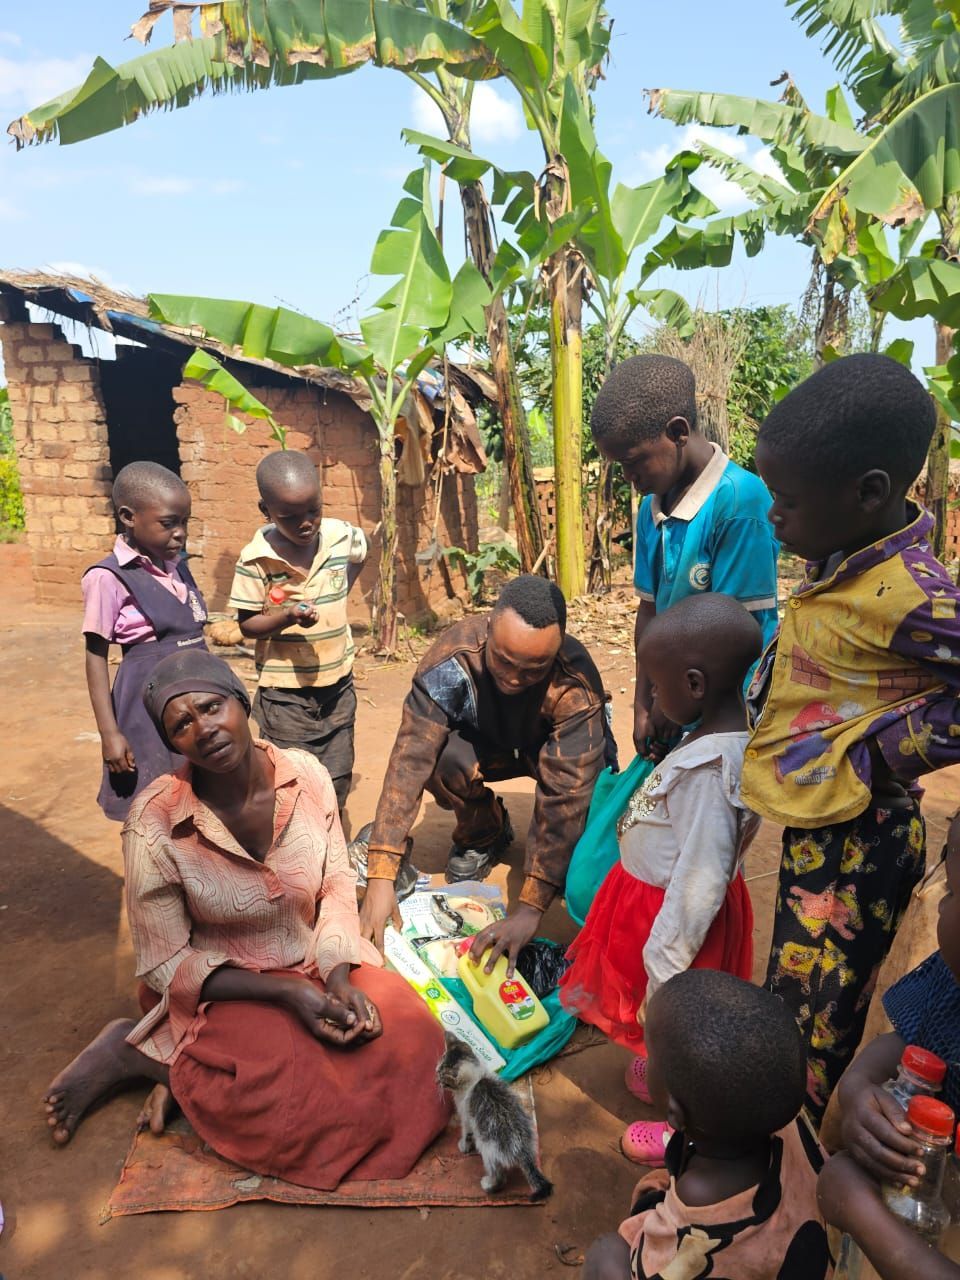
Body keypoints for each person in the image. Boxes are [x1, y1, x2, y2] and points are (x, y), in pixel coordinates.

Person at [42, 650, 450, 1190]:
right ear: (172, 745)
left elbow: (333, 887)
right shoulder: (155, 823)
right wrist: (287, 997)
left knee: (420, 1041)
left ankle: (183, 1073)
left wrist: (336, 978)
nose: (203, 729)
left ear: (242, 701)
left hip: (314, 961)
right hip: (225, 988)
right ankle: (137, 1055)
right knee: (296, 1098)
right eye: (181, 725)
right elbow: (164, 961)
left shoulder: (306, 776)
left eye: (212, 707)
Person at [741, 352, 960, 1118]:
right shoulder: (844, 557)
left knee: (821, 1024)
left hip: (863, 842)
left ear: (868, 492)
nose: (774, 515)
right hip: (821, 826)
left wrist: (886, 747)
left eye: (787, 500)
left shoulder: (914, 597)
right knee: (792, 989)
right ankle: (769, 1136)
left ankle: (787, 1164)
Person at [559, 593, 761, 1165]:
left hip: (675, 922)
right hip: (652, 904)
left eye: (654, 684)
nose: (650, 696)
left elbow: (702, 875)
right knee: (661, 1021)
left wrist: (667, 970)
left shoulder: (710, 771)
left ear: (694, 685)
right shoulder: (706, 740)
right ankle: (666, 1057)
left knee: (683, 1027)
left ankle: (687, 1129)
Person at [358, 574, 617, 970]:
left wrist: (531, 907)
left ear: (557, 650)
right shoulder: (453, 660)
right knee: (441, 758)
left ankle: (563, 868)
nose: (514, 678)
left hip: (550, 751)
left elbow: (567, 795)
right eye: (504, 661)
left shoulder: (574, 683)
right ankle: (485, 831)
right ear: (489, 629)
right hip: (488, 744)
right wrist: (380, 875)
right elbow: (411, 758)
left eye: (533, 669)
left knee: (592, 816)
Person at [583, 970, 833, 1280]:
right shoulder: (779, 1113)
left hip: (730, 1252)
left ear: (676, 1113)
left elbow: (660, 1271)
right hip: (798, 1253)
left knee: (605, 1254)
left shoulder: (699, 1198)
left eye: (652, 1058)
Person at [591, 354, 778, 761]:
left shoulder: (739, 503)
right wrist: (643, 702)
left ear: (677, 432)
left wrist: (669, 709)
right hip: (676, 698)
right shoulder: (650, 508)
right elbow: (649, 609)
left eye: (633, 461)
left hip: (726, 709)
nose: (628, 478)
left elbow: (732, 634)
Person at [813, 810, 960, 1278]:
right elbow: (903, 1040)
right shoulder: (951, 980)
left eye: (953, 893)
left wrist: (865, 1217)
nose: (938, 907)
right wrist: (858, 1090)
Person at [229, 449, 367, 812]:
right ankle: (293, 851)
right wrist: (288, 615)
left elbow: (361, 552)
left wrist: (340, 592)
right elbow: (247, 625)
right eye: (290, 518)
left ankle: (328, 844)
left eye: (314, 511)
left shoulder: (340, 535)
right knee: (289, 778)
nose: (306, 524)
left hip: (338, 683)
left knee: (337, 775)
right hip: (285, 692)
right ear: (266, 512)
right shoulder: (255, 559)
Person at [82, 460, 208, 821]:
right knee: (153, 808)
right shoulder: (108, 578)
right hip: (145, 711)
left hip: (193, 705)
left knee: (200, 803)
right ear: (128, 516)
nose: (180, 533)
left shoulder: (177, 567)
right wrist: (110, 734)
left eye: (184, 522)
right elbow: (95, 657)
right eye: (169, 523)